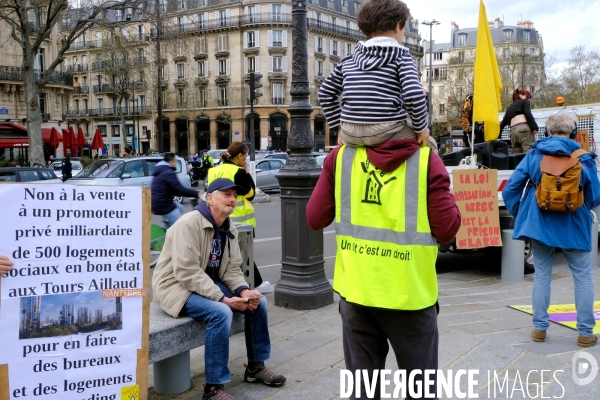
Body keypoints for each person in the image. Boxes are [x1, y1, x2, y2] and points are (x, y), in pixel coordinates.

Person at [307, 130, 461, 396]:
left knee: (363, 391)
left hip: (357, 295)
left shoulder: (340, 158)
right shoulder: (426, 160)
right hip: (410, 299)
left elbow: (314, 217)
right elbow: (448, 230)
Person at [152, 178, 286, 399]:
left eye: (235, 195)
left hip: (204, 282)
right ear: (210, 197)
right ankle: (213, 388)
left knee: (257, 301)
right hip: (175, 286)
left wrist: (243, 291)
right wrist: (223, 299)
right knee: (220, 312)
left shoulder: (227, 226)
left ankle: (255, 367)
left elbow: (231, 268)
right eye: (226, 194)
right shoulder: (188, 224)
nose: (232, 199)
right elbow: (186, 272)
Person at [502, 113, 600, 347]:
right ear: (574, 134)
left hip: (539, 224)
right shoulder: (584, 158)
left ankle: (539, 329)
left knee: (542, 275)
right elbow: (595, 196)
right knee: (583, 277)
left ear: (546, 132)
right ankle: (585, 334)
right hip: (574, 224)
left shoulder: (534, 154)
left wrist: (522, 212)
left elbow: (510, 190)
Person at [318, 0, 434, 149]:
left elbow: (325, 92)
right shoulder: (402, 57)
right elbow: (413, 94)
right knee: (430, 145)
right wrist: (421, 128)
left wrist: (340, 127)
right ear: (399, 25)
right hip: (387, 129)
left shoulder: (349, 60)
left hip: (350, 132)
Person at [207, 143, 256, 227]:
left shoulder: (213, 170)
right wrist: (247, 174)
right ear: (240, 155)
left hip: (215, 218)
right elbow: (251, 195)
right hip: (237, 221)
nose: (245, 159)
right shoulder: (238, 171)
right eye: (245, 155)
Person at [150, 152, 201, 230]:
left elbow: (174, 190)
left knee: (180, 207)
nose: (177, 162)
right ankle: (170, 234)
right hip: (163, 204)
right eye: (176, 160)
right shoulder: (168, 172)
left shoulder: (161, 170)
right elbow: (179, 189)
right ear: (171, 162)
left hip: (157, 202)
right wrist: (196, 194)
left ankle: (166, 228)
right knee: (181, 227)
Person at [500, 89, 539, 153]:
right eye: (528, 97)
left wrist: (498, 136)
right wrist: (534, 127)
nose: (529, 100)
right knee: (529, 153)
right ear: (521, 95)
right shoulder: (524, 102)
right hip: (523, 129)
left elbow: (503, 123)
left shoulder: (509, 108)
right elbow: (528, 114)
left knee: (516, 155)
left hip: (512, 133)